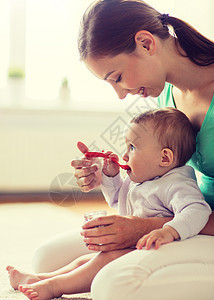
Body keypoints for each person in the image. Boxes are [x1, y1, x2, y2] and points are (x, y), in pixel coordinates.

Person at [8, 0, 214, 299]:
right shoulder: (168, 95)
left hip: (195, 223)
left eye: (116, 77)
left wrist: (145, 227)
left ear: (145, 43)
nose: (120, 94)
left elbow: (186, 209)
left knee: (113, 285)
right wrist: (107, 177)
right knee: (48, 258)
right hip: (179, 216)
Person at [7, 108, 211, 300]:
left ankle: (54, 287)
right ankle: (42, 278)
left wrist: (169, 231)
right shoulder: (144, 178)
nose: (124, 156)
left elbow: (197, 210)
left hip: (163, 247)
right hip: (135, 244)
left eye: (132, 147)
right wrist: (110, 176)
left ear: (164, 157)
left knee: (102, 262)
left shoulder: (176, 184)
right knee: (85, 261)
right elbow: (117, 200)